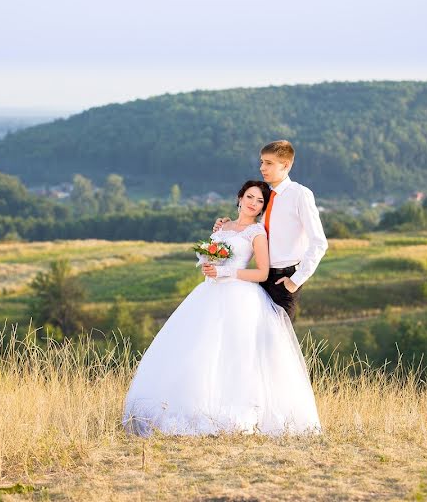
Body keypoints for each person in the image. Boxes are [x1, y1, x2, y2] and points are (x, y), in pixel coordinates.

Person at [122, 180, 322, 436]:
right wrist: (207, 261)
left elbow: (261, 273)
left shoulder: (257, 233)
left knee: (234, 354)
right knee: (198, 348)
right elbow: (212, 252)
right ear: (240, 198)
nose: (253, 203)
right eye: (250, 197)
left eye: (260, 201)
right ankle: (194, 406)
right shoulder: (222, 226)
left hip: (239, 295)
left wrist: (225, 271)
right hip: (209, 294)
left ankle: (235, 413)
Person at [213, 140, 328, 321]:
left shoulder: (300, 194)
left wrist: (295, 281)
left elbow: (319, 242)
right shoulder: (265, 196)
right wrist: (227, 224)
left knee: (278, 338)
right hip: (261, 279)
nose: (262, 168)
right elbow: (250, 224)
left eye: (268, 163)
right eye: (261, 162)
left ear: (286, 165)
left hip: (285, 279)